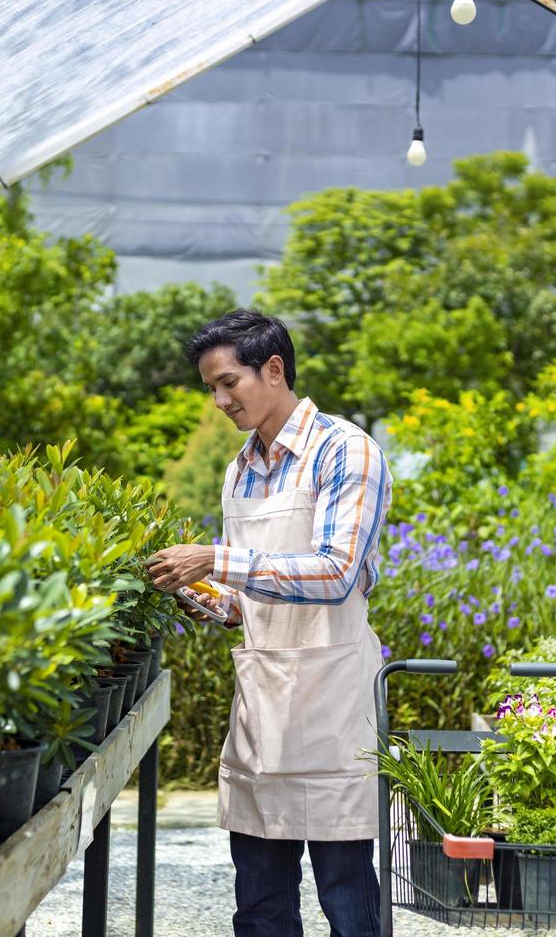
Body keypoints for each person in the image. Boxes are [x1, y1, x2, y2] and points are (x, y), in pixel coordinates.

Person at [145, 308, 393, 937]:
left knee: (348, 900)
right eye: (212, 389)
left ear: (274, 369)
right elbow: (241, 604)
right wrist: (188, 584)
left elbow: (335, 574)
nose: (221, 400)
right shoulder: (241, 468)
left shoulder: (345, 449)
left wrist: (216, 557)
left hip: (334, 708)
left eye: (228, 382)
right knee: (259, 905)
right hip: (263, 710)